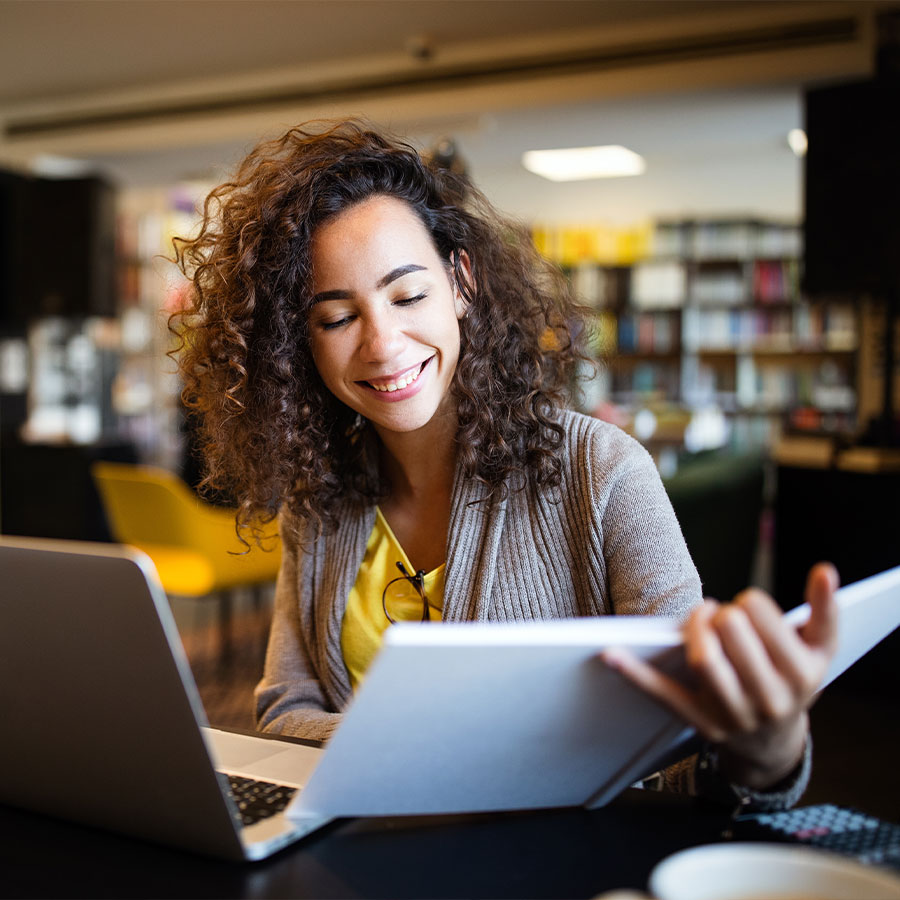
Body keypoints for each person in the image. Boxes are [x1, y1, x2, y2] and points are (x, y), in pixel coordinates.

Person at [172, 119, 838, 810]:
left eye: (407, 296)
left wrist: (767, 753)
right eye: (337, 317)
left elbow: (680, 754)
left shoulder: (602, 471)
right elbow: (283, 711)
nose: (382, 344)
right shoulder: (320, 498)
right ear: (299, 341)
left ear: (460, 283)